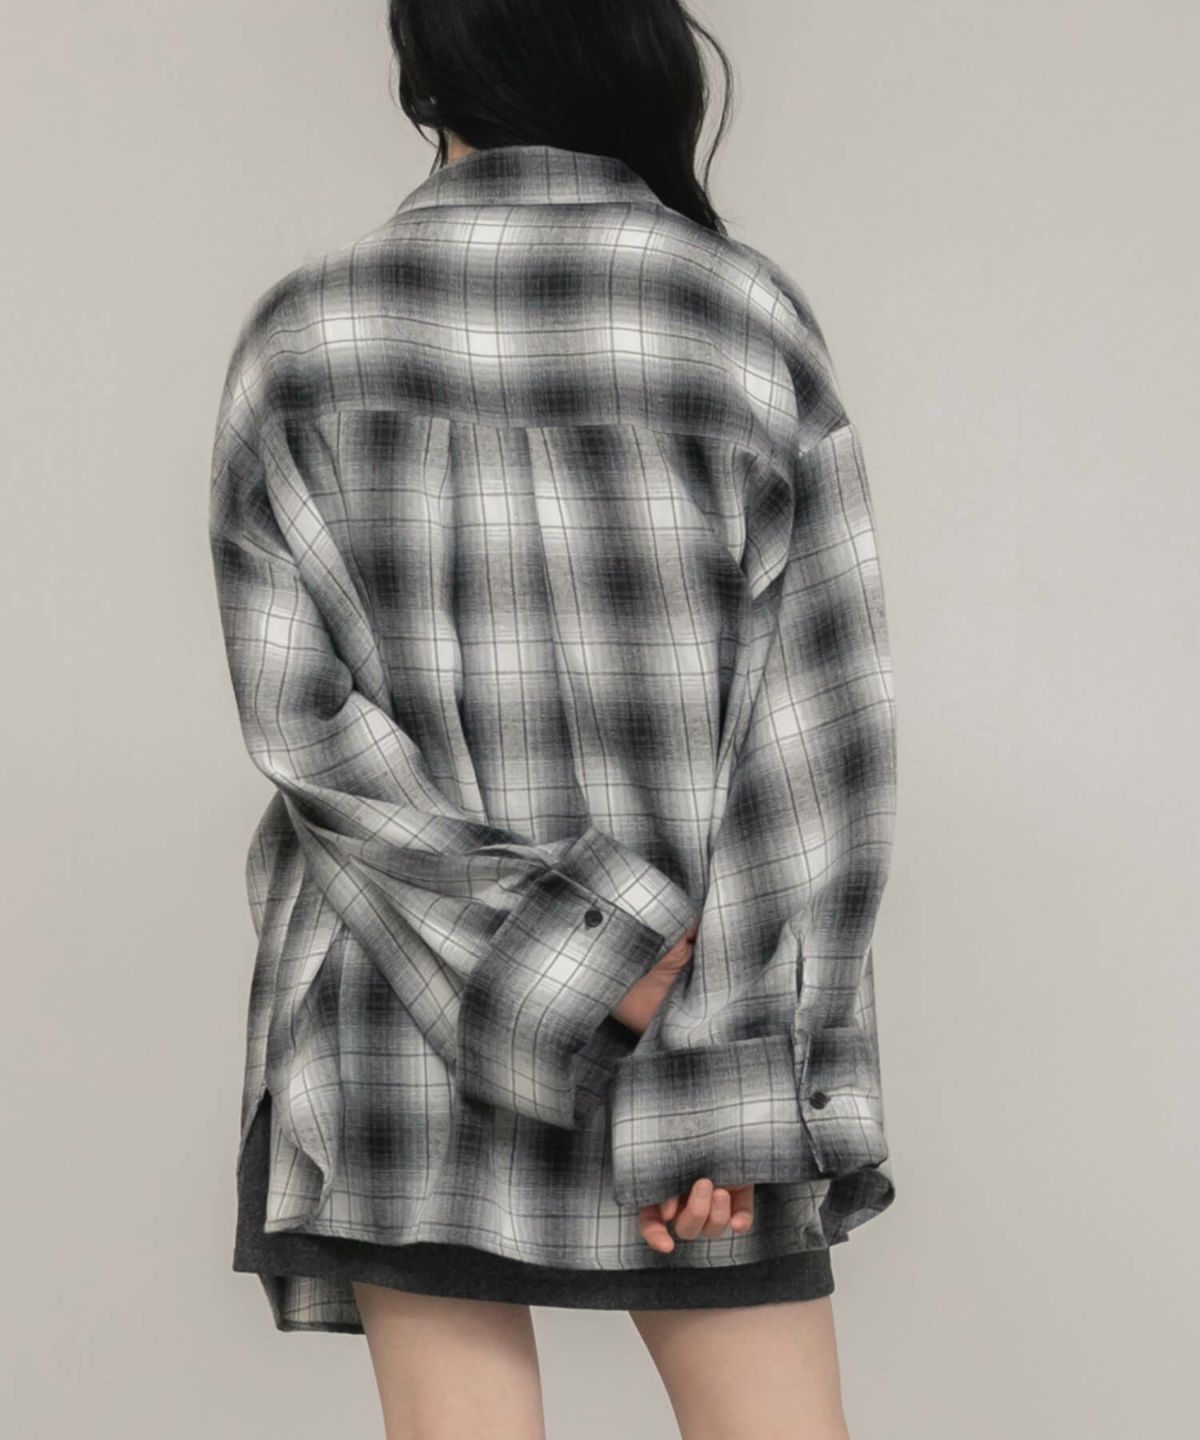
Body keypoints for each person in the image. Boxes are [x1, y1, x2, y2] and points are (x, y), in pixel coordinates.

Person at [207, 1, 899, 1435]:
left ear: (427, 72)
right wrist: (716, 1061)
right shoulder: (740, 318)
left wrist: (592, 965)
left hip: (405, 1023)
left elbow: (309, 735)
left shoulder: (305, 333)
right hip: (698, 1011)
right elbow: (815, 750)